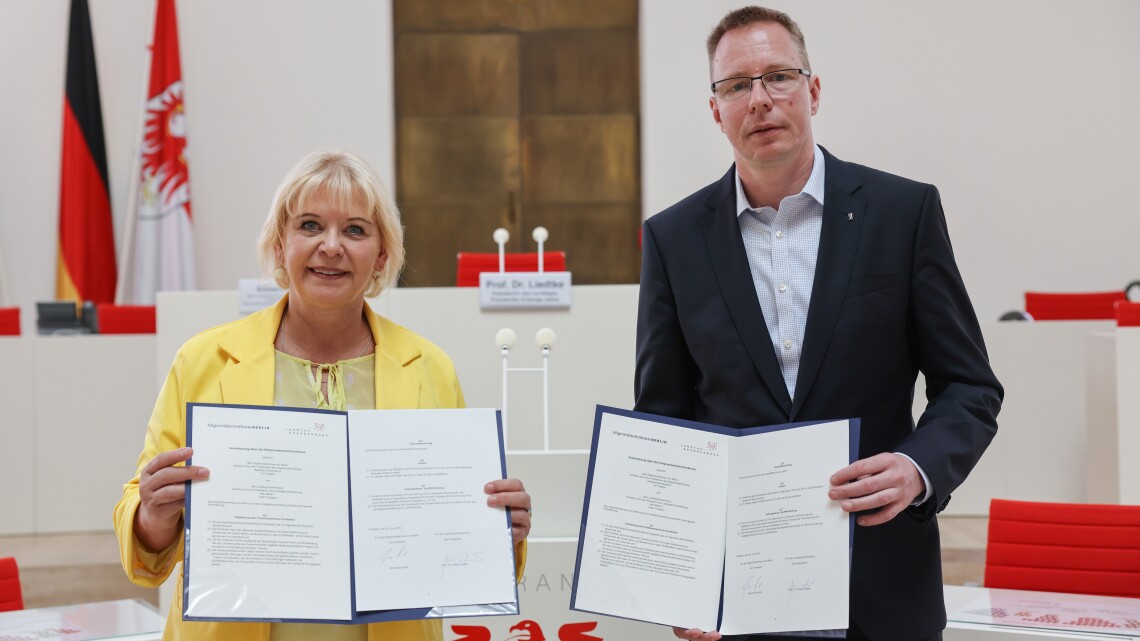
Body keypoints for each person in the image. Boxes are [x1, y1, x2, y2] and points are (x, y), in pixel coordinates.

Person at [634, 7, 1002, 641]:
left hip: (883, 584)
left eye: (779, 76)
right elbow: (667, 425)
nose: (760, 100)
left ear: (814, 89)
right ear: (715, 110)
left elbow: (970, 388)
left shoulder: (902, 213)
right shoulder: (671, 240)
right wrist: (683, 584)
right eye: (736, 85)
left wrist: (916, 468)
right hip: (741, 597)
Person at [113, 151, 532, 641]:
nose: (331, 246)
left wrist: (502, 528)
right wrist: (153, 514)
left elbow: (458, 532)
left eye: (355, 230)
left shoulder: (430, 368)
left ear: (381, 256)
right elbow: (141, 532)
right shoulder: (203, 359)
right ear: (279, 245)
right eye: (310, 225)